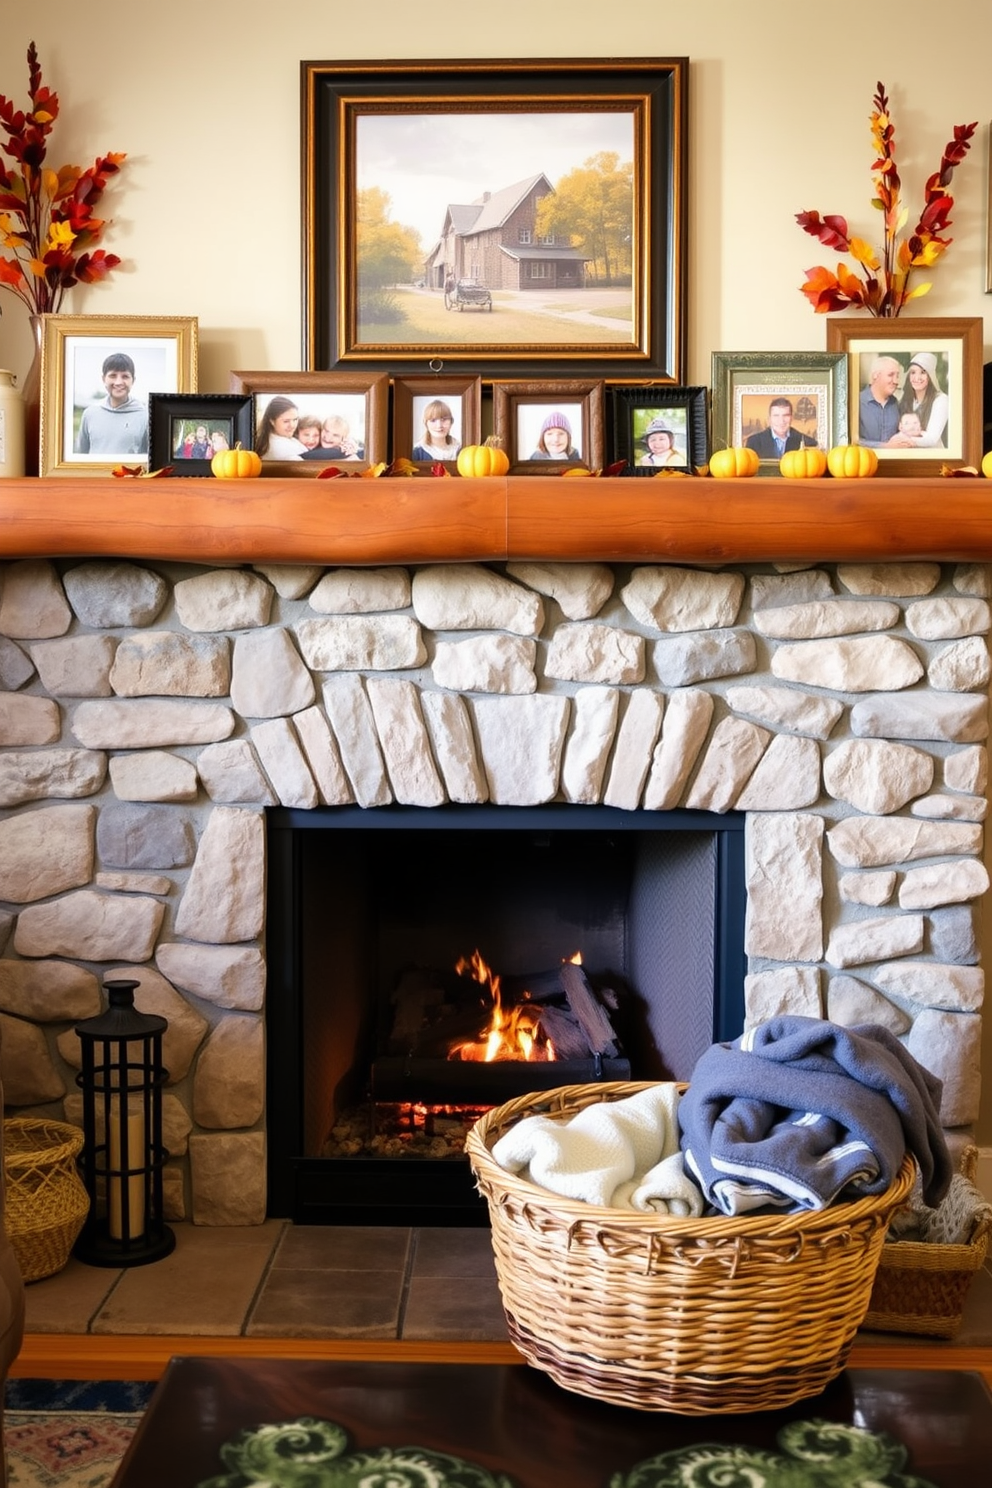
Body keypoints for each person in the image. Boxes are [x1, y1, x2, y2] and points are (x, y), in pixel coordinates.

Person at [75, 352, 148, 456]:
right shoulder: (89, 414)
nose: (118, 382)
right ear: (104, 379)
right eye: (113, 375)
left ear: (133, 380)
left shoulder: (145, 416)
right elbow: (81, 455)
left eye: (125, 376)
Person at [894, 351, 949, 448]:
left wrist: (902, 439)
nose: (917, 377)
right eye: (913, 372)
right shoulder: (905, 399)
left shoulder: (941, 400)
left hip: (933, 457)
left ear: (930, 376)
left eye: (923, 372)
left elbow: (932, 439)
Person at [745, 397, 817, 459]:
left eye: (786, 415)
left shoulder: (808, 443)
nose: (781, 421)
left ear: (791, 418)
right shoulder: (754, 443)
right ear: (769, 419)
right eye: (776, 416)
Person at [857, 356, 903, 447]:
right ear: (875, 376)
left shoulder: (895, 404)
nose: (896, 381)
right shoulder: (858, 402)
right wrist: (884, 446)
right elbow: (851, 441)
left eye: (897, 376)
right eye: (890, 375)